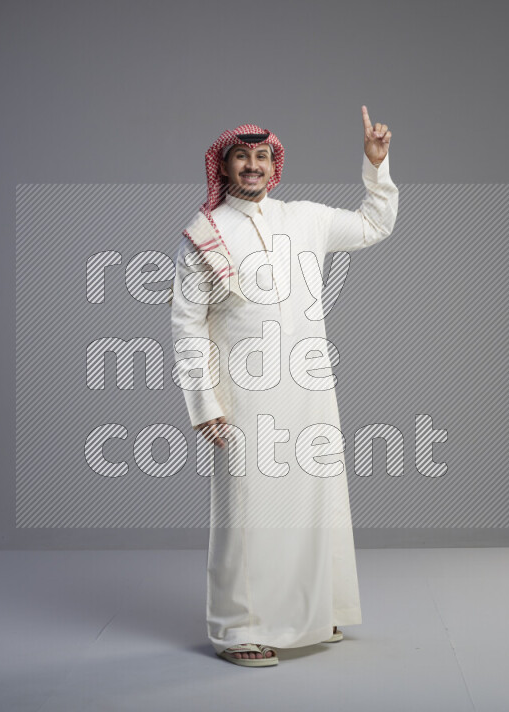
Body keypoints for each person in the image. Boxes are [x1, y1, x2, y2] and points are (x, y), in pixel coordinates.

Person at [170, 106, 398, 667]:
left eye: (262, 156)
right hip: (243, 391)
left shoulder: (306, 218)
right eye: (241, 157)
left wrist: (377, 166)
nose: (252, 165)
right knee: (248, 509)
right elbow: (186, 323)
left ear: (274, 165)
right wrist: (204, 402)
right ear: (223, 168)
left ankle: (316, 614)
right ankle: (238, 628)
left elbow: (375, 225)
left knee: (316, 502)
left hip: (310, 384)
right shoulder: (205, 234)